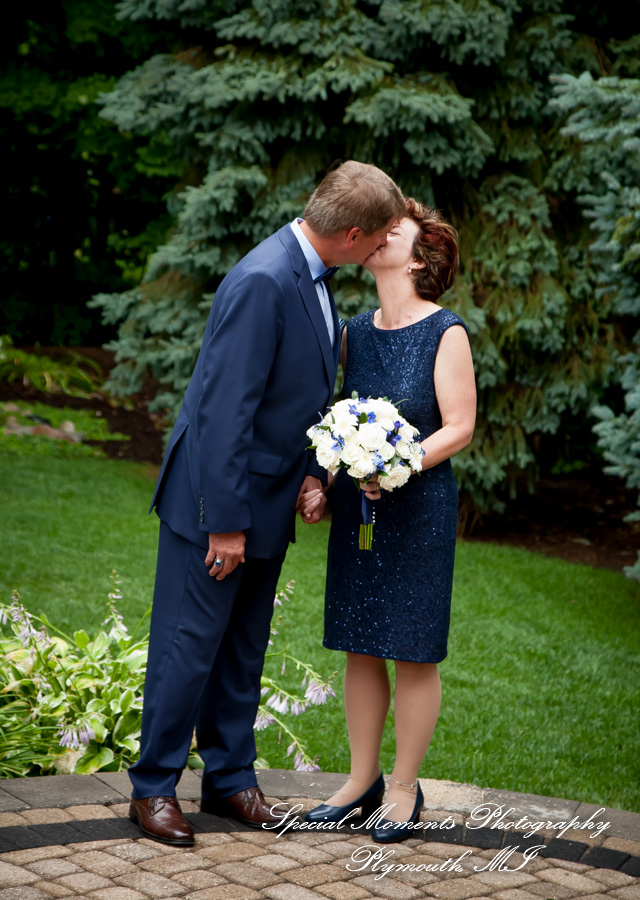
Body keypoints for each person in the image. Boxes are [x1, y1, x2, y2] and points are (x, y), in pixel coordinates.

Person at [127, 161, 406, 847]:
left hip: (271, 501)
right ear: (351, 231)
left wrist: (314, 472)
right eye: (377, 241)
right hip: (215, 505)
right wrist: (224, 523)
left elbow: (302, 394)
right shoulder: (262, 278)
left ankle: (228, 778)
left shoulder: (314, 275)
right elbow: (225, 412)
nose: (379, 253)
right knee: (188, 648)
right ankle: (153, 787)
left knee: (243, 647)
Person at [302, 199, 476, 843]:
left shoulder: (445, 331)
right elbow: (335, 420)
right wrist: (322, 481)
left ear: (420, 255)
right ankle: (361, 780)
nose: (376, 238)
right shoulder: (354, 331)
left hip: (419, 512)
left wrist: (400, 465)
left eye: (391, 231)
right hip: (359, 512)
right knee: (360, 642)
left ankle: (404, 786)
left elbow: (459, 426)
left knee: (412, 650)